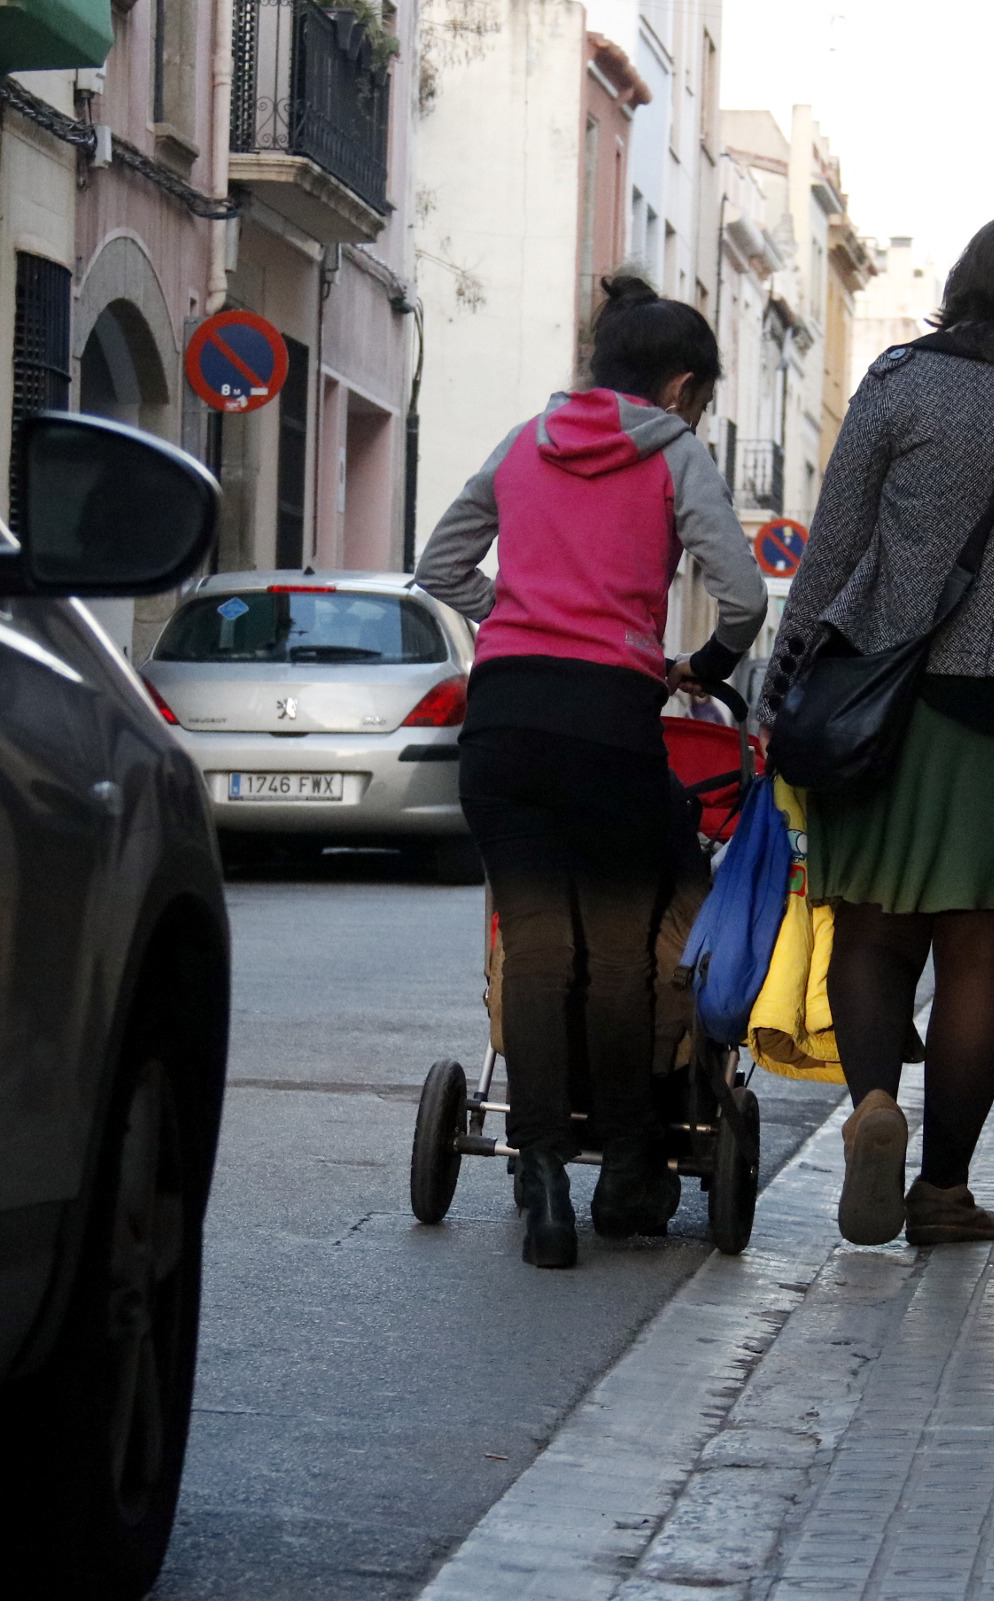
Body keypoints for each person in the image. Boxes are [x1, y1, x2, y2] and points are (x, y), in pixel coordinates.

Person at [757, 214, 994, 1248]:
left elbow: (830, 555)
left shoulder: (899, 384)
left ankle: (874, 1102)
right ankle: (942, 1188)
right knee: (984, 955)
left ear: (963, 282)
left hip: (894, 707)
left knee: (873, 932)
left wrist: (778, 691)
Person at [416, 274, 767, 1269]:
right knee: (617, 953)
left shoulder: (522, 442)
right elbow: (739, 596)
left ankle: (539, 1175)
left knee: (533, 944)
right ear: (683, 383)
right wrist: (698, 666)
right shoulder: (674, 450)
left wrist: (522, 615)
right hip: (608, 726)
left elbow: (438, 567)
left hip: (505, 721)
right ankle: (625, 1166)